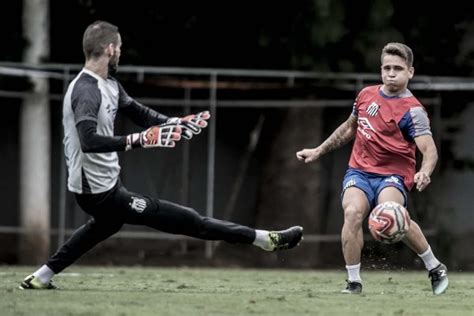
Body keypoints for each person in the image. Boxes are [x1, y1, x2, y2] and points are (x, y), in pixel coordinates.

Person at [20, 20, 303, 290]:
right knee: (189, 220)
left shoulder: (110, 85)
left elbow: (140, 113)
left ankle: (41, 276)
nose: (120, 52)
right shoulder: (87, 90)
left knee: (101, 228)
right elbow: (88, 141)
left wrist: (175, 123)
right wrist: (139, 140)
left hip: (106, 186)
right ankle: (264, 239)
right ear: (109, 49)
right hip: (97, 192)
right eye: (119, 47)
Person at [296, 42, 448, 295]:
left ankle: (434, 266)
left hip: (394, 174)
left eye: (398, 68)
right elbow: (348, 128)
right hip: (359, 171)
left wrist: (425, 172)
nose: (391, 73)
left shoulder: (413, 111)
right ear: (380, 69)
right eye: (387, 67)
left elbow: (429, 151)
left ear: (410, 72)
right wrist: (318, 150)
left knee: (391, 214)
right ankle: (354, 281)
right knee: (353, 213)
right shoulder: (366, 95)